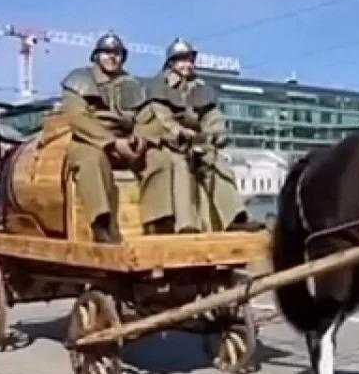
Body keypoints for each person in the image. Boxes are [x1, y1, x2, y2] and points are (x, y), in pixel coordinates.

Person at [136, 37, 261, 233]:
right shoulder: (159, 85)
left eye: (189, 59)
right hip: (165, 143)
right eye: (182, 60)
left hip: (194, 142)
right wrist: (180, 133)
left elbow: (212, 117)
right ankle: (186, 224)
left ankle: (234, 216)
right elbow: (161, 118)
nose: (187, 64)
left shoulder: (199, 87)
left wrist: (216, 133)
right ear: (171, 62)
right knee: (180, 164)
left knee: (216, 161)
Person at [60, 31, 146, 243]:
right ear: (97, 56)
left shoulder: (133, 85)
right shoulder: (79, 79)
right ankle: (101, 222)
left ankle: (161, 222)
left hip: (128, 141)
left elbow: (147, 116)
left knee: (162, 159)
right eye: (107, 52)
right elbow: (77, 118)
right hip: (88, 140)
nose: (112, 57)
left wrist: (141, 138)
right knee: (92, 160)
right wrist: (111, 142)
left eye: (117, 53)